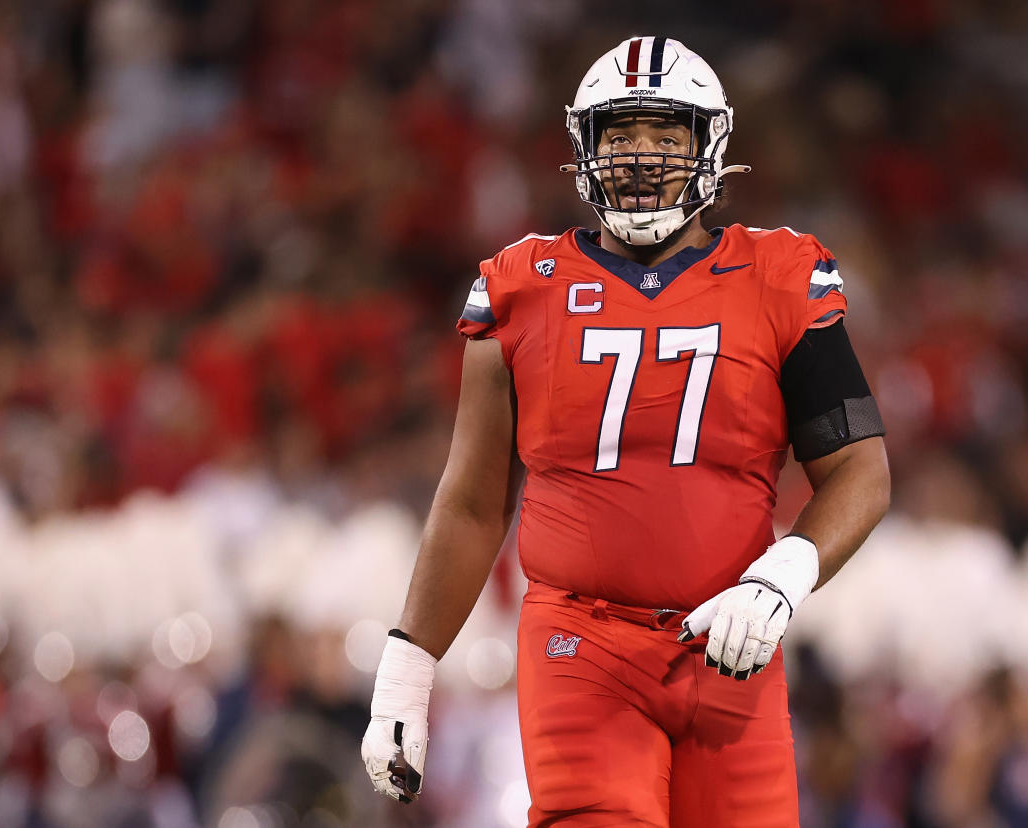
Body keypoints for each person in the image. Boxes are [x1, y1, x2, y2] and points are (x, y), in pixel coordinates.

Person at [362, 36, 891, 827]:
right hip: (583, 641)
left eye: (665, 137)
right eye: (621, 137)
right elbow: (473, 503)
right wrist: (408, 665)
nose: (641, 158)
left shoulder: (778, 278)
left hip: (731, 639)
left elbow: (859, 471)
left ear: (709, 146)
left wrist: (784, 574)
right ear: (584, 147)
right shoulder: (523, 288)